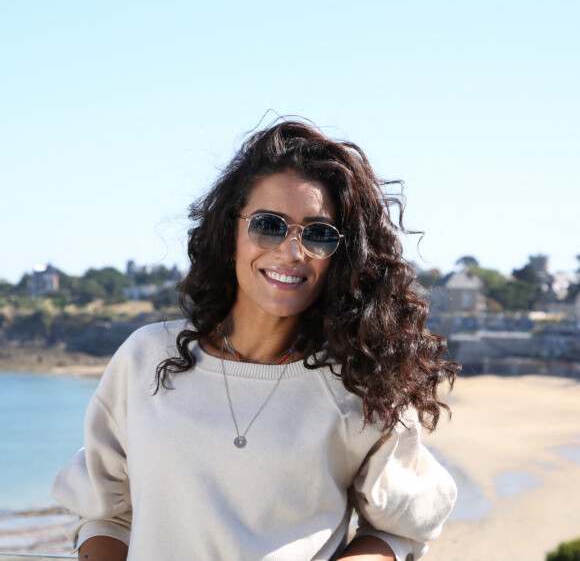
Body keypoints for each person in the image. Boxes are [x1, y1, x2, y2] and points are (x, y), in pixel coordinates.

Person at [53, 119, 458, 561]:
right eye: (269, 225)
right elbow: (102, 512)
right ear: (231, 235)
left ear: (339, 256)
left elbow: (401, 530)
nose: (292, 251)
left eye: (318, 234)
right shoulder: (147, 358)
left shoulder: (360, 384)